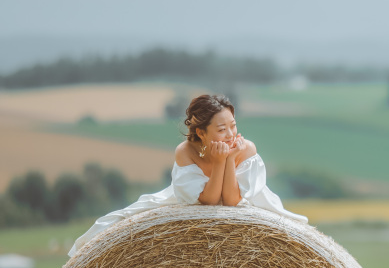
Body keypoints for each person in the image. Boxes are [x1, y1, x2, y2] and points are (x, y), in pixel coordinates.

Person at [69, 94, 307, 257]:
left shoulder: (247, 149)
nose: (230, 134)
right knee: (117, 222)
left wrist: (228, 160)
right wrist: (219, 160)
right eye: (221, 130)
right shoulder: (185, 152)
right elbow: (209, 202)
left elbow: (233, 201)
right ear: (202, 133)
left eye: (233, 126)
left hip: (248, 199)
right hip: (192, 198)